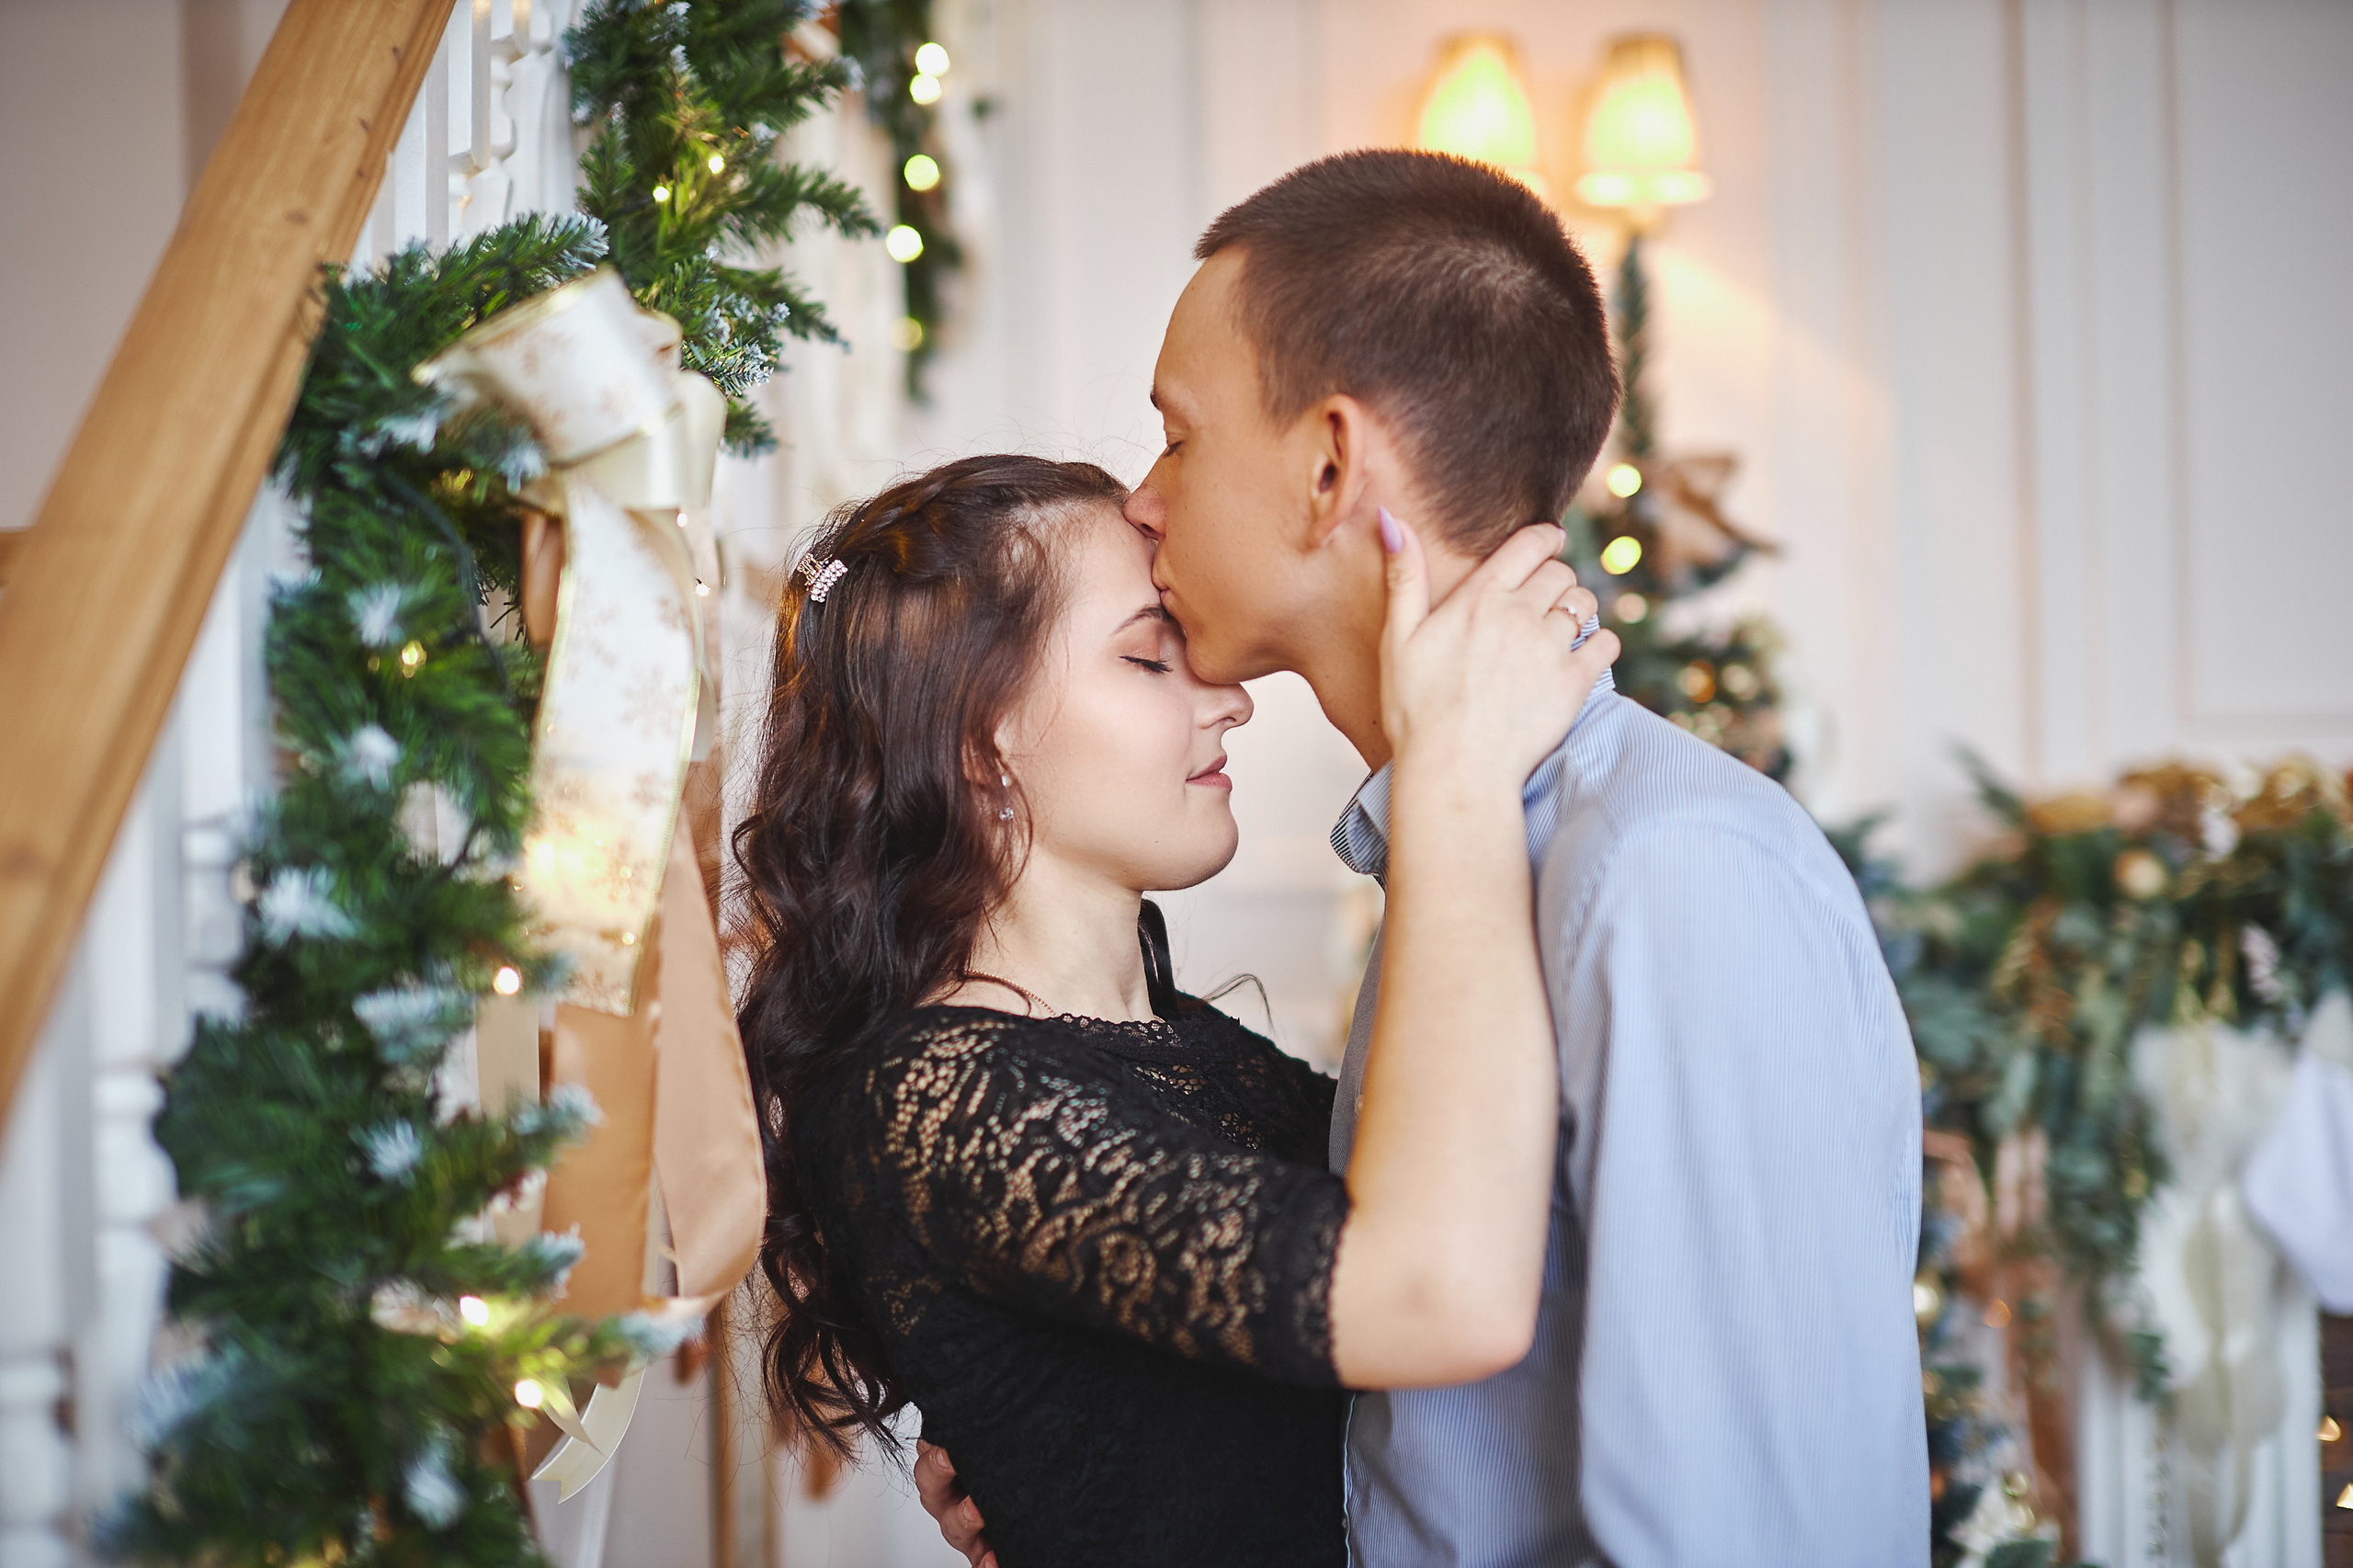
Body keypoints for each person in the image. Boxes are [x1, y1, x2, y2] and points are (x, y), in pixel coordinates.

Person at [919, 151, 1929, 1566]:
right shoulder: (1464, 851)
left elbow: (1756, 1530)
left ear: (1330, 466)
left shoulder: (1668, 871)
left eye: (1180, 433)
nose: (1144, 500)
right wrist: (1108, 1443)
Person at [733, 452, 1617, 1567]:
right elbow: (1441, 1298)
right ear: (973, 743)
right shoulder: (934, 1097)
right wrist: (1456, 771)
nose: (1230, 696)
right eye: (1150, 658)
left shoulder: (1182, 1040)